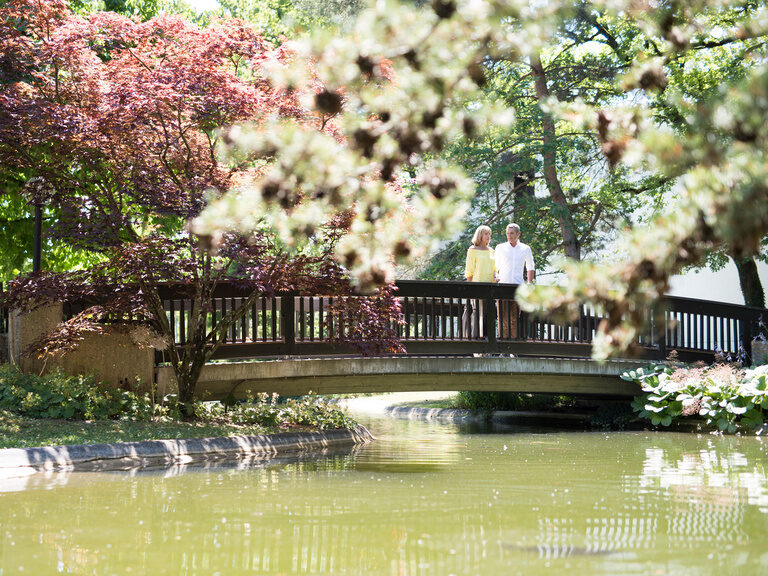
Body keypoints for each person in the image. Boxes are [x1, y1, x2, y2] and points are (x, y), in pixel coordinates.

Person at [494, 223, 535, 339]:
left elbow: (530, 267)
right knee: (502, 317)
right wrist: (495, 276)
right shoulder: (500, 247)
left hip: (518, 287)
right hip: (502, 286)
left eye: (511, 233)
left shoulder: (525, 248)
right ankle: (503, 346)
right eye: (507, 233)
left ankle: (512, 346)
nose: (509, 236)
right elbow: (495, 266)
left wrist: (530, 284)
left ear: (518, 234)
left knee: (514, 317)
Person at [463, 225, 495, 337]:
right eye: (486, 234)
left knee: (488, 314)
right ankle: (475, 338)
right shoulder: (472, 250)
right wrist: (470, 287)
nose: (488, 236)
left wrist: (496, 276)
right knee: (477, 312)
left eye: (489, 234)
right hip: (477, 286)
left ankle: (487, 340)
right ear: (480, 235)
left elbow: (495, 268)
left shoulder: (491, 250)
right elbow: (469, 270)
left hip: (491, 287)